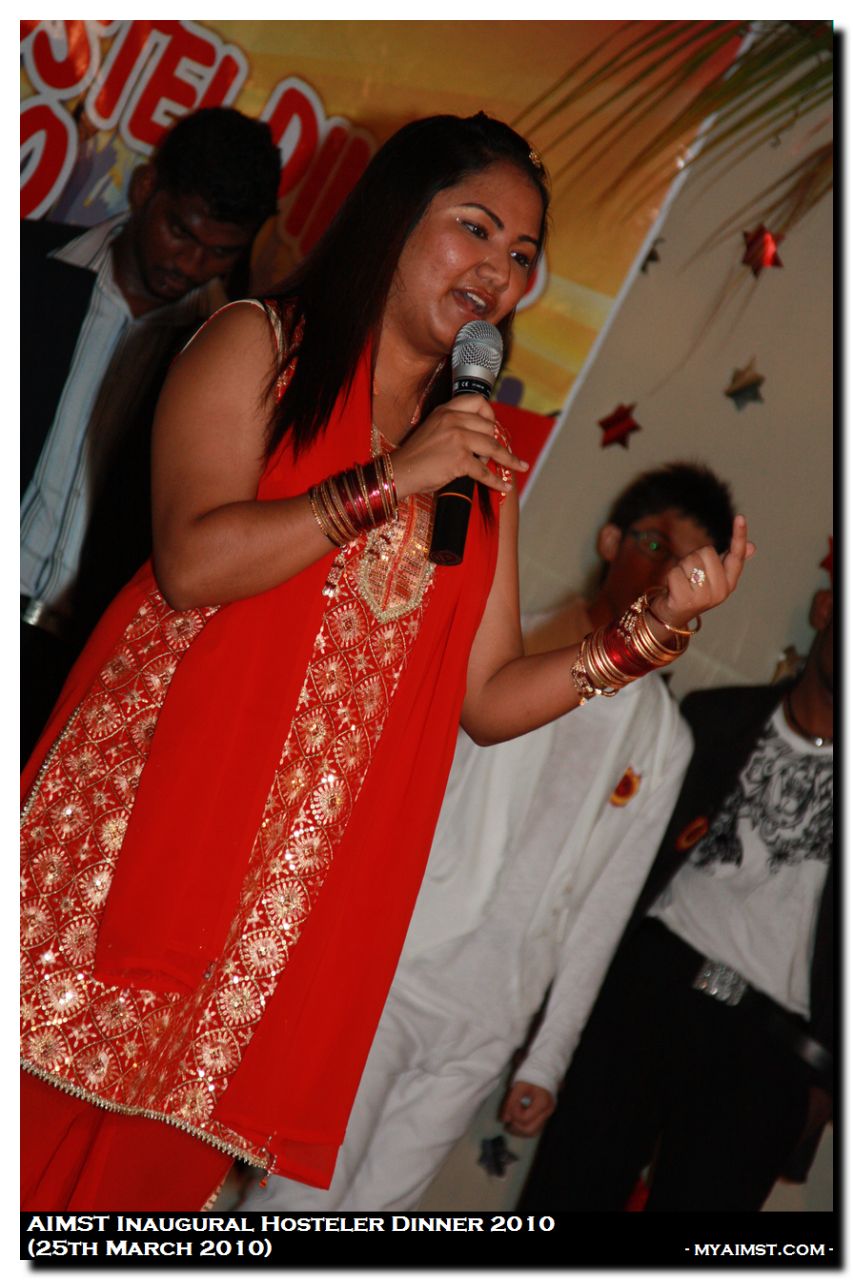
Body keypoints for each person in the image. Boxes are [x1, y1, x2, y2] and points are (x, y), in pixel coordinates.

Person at [20, 112, 752, 1213]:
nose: (499, 270)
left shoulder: (476, 461)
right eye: (476, 228)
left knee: (146, 1202)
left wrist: (643, 635)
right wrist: (389, 480)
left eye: (521, 254)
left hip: (276, 912)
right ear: (395, 219)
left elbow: (487, 697)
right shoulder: (258, 345)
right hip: (143, 840)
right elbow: (193, 560)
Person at [238, 462, 736, 1213]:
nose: (667, 575)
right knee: (298, 1195)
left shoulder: (664, 738)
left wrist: (546, 1056)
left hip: (492, 1015)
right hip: (397, 972)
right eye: (654, 545)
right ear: (610, 541)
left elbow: (602, 909)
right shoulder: (507, 646)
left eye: (690, 566)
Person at [517, 579, 832, 1212]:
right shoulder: (714, 719)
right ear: (827, 606)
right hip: (645, 989)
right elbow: (622, 869)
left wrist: (824, 1080)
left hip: (768, 1049)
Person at [21, 106, 281, 758]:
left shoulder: (229, 354)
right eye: (179, 231)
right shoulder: (22, 266)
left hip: (80, 668)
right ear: (145, 188)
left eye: (221, 251)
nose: (191, 263)